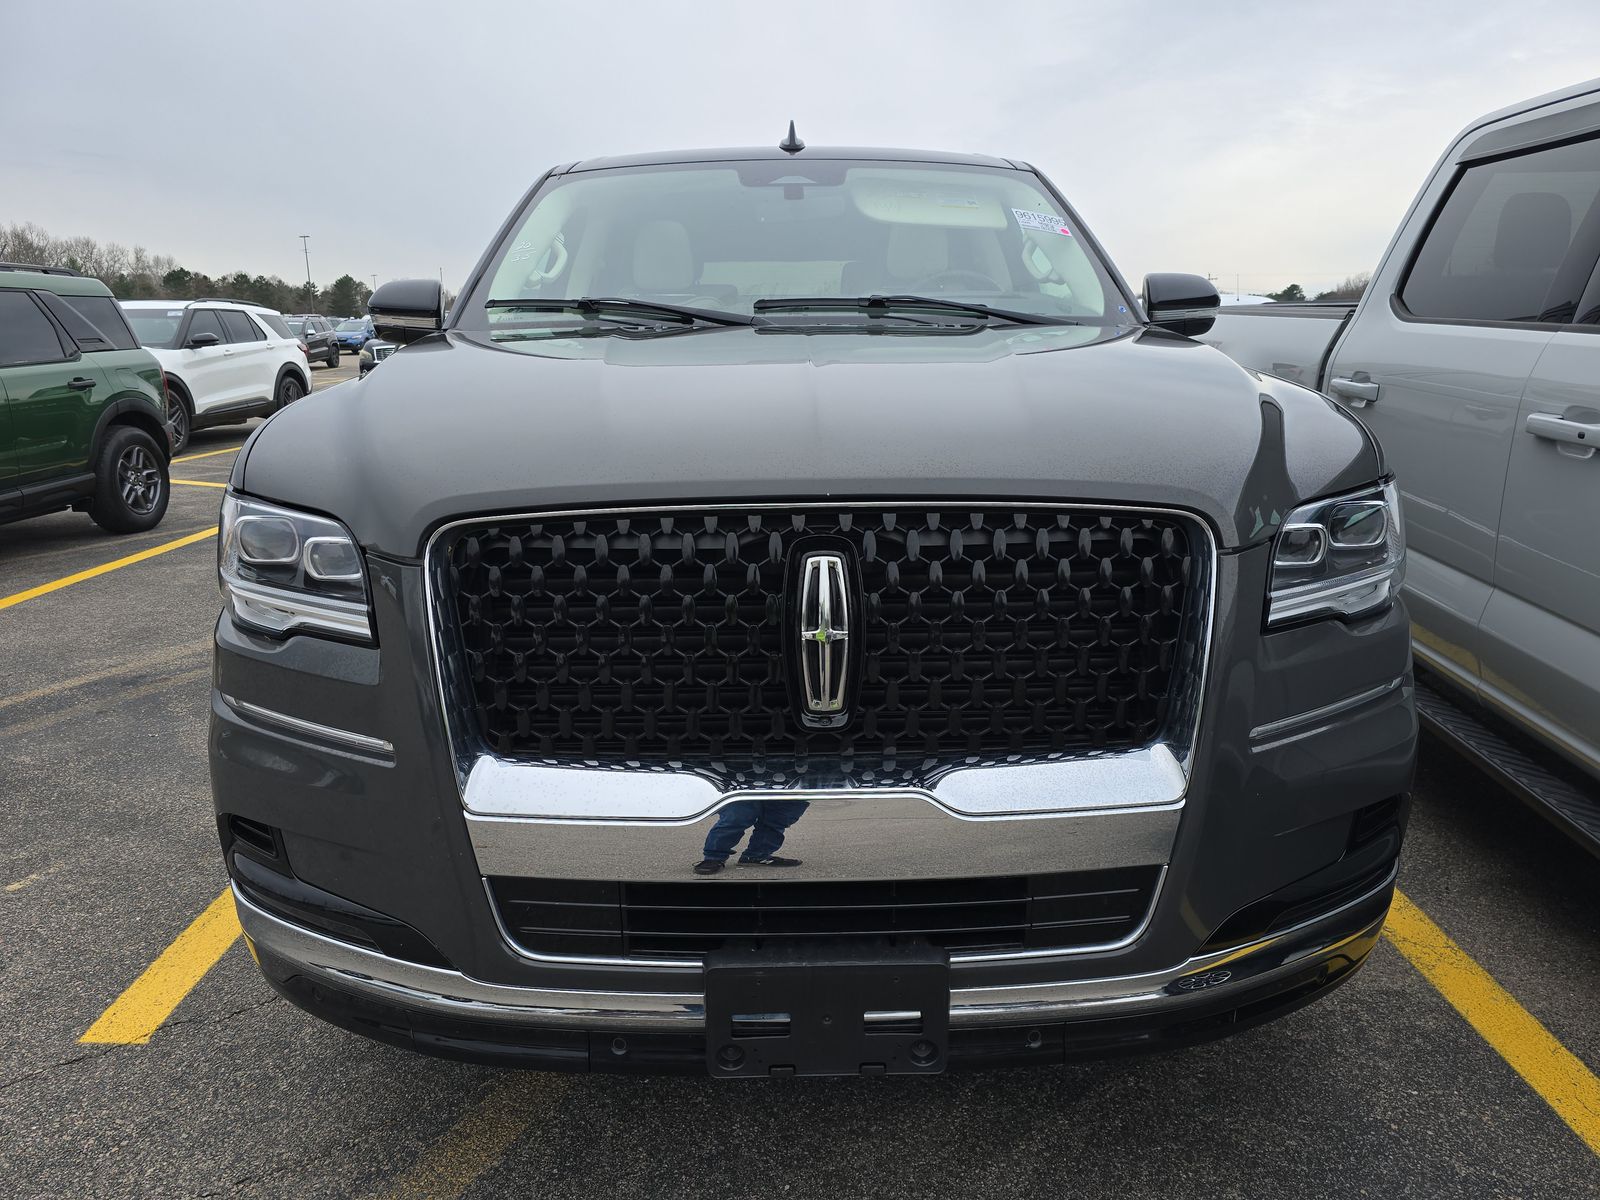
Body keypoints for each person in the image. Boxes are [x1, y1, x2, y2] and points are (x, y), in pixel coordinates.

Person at [693, 799, 808, 875]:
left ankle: (757, 856)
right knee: (738, 813)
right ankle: (713, 857)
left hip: (791, 769)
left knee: (781, 815)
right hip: (744, 768)